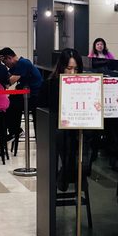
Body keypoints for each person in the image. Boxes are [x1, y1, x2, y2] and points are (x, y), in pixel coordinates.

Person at [38, 48, 83, 191]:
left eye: (76, 69)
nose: (72, 73)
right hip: (58, 132)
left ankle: (66, 174)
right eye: (69, 68)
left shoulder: (84, 87)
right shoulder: (50, 85)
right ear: (62, 67)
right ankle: (64, 175)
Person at [0, 47, 43, 139]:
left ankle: (15, 131)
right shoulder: (17, 66)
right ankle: (14, 130)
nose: (6, 65)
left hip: (34, 96)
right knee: (8, 103)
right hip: (26, 94)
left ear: (9, 58)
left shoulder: (23, 63)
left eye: (5, 62)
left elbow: (10, 82)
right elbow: (5, 76)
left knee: (8, 105)